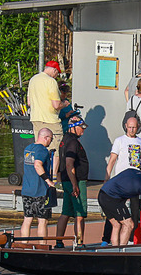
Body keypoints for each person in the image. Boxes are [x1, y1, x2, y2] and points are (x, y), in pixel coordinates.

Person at [103, 117, 141, 244]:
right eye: (129, 127)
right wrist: (107, 177)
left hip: (136, 183)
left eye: (134, 127)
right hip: (121, 183)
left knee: (135, 210)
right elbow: (112, 160)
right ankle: (106, 238)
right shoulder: (119, 141)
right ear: (125, 126)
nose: (132, 129)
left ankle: (130, 238)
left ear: (138, 127)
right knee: (113, 211)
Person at [99, 165, 141, 247]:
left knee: (116, 225)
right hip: (112, 198)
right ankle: (122, 251)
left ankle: (115, 251)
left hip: (102, 194)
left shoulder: (132, 171)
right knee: (129, 224)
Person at [27, 60, 67, 178]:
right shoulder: (51, 82)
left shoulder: (33, 79)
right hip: (51, 120)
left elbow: (29, 102)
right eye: (57, 73)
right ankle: (53, 177)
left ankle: (40, 175)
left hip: (36, 118)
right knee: (55, 150)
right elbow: (56, 105)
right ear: (54, 70)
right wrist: (64, 104)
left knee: (39, 147)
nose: (56, 76)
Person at [19, 128, 57, 245]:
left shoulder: (28, 148)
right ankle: (42, 246)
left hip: (27, 189)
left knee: (27, 219)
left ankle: (24, 245)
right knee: (42, 221)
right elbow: (37, 165)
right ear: (46, 138)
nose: (51, 142)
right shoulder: (42, 150)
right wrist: (48, 180)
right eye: (51, 139)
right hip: (41, 191)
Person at [55, 117, 89, 247]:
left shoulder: (64, 140)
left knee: (66, 212)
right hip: (76, 181)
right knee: (80, 213)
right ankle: (79, 242)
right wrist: (75, 184)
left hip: (66, 180)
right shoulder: (73, 142)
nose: (83, 131)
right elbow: (69, 164)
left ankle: (59, 241)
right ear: (74, 127)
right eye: (82, 127)